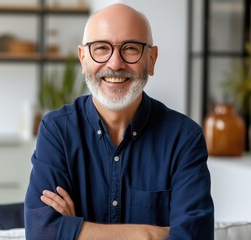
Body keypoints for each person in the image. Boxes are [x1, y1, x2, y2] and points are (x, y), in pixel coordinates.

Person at [24, 3, 214, 240]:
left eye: (131, 49)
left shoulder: (184, 138)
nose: (115, 63)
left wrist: (74, 230)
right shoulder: (57, 130)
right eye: (102, 48)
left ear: (151, 59)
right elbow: (42, 232)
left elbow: (194, 237)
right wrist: (149, 234)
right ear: (83, 59)